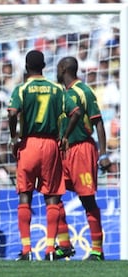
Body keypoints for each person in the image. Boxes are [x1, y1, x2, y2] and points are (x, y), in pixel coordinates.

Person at [7, 50, 81, 261]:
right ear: (44, 65)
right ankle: (50, 249)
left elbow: (12, 113)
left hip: (28, 143)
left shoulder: (22, 88)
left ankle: (26, 249)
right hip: (51, 144)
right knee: (52, 197)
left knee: (25, 195)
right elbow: (75, 112)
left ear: (26, 66)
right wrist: (65, 136)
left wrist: (14, 137)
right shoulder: (56, 89)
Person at [54, 56, 111, 261]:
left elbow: (98, 122)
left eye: (57, 68)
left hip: (82, 151)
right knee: (54, 195)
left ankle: (97, 250)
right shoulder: (62, 93)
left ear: (62, 69)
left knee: (87, 199)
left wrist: (103, 153)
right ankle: (64, 245)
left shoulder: (84, 91)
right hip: (64, 153)